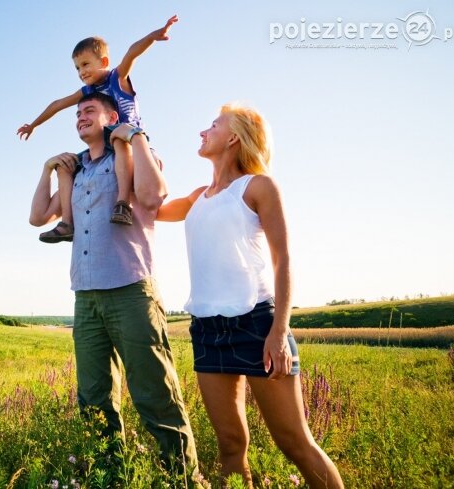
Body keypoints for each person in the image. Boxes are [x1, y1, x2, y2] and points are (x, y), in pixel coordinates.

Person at [156, 103, 344, 488]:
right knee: (229, 444)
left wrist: (279, 331)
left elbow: (284, 259)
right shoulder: (197, 198)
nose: (202, 132)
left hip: (258, 324)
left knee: (294, 442)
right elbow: (150, 209)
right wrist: (135, 149)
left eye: (212, 125)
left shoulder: (258, 187)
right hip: (207, 329)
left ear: (233, 137)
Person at [29, 92, 199, 483]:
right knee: (93, 400)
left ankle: (184, 479)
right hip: (85, 297)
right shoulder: (78, 170)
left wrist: (135, 135)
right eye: (76, 114)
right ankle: (110, 476)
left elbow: (155, 197)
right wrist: (47, 169)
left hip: (130, 290)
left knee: (155, 393)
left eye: (88, 111)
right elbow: (38, 216)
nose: (80, 117)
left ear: (110, 116)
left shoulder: (131, 155)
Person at [19, 15, 179, 242]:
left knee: (117, 139)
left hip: (128, 137)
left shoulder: (117, 78)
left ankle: (122, 203)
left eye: (85, 64)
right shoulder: (87, 92)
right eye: (77, 68)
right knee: (66, 166)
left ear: (103, 62)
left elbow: (131, 53)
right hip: (104, 144)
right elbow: (57, 104)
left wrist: (154, 36)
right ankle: (67, 222)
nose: (81, 72)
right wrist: (34, 124)